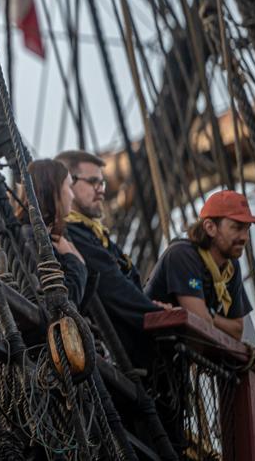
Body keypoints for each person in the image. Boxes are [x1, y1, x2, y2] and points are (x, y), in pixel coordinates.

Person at [56, 149, 166, 366]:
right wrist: (159, 314)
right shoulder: (71, 234)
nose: (101, 190)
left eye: (102, 183)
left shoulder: (97, 236)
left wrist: (152, 306)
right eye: (93, 182)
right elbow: (112, 287)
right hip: (114, 362)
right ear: (68, 181)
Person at [145, 190, 255, 341]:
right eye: (237, 227)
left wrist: (209, 315)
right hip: (145, 353)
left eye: (247, 229)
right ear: (210, 227)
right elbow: (201, 322)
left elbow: (237, 330)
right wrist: (209, 318)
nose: (245, 237)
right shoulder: (182, 256)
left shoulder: (230, 267)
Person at [17, 158, 87, 305]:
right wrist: (74, 260)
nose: (72, 195)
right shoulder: (31, 237)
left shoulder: (45, 236)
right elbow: (66, 304)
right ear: (54, 191)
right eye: (68, 187)